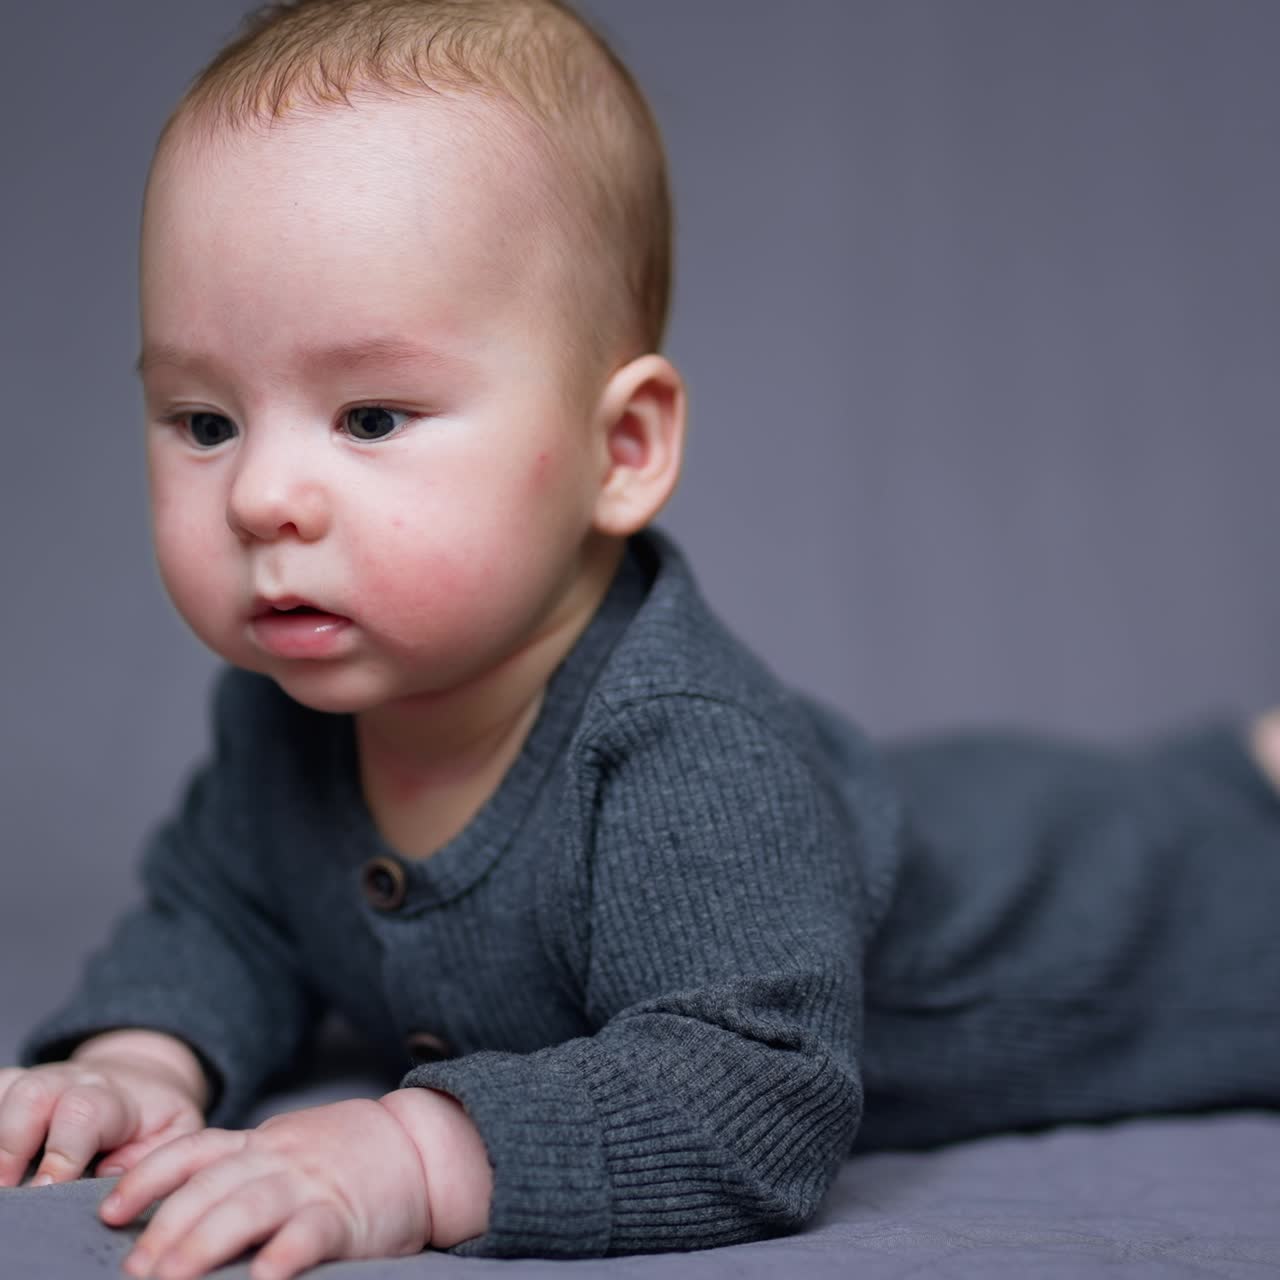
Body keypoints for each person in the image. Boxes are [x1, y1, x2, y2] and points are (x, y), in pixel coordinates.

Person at [2, 0, 1279, 1276]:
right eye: (204, 419)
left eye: (372, 416)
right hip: (910, 810)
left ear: (623, 451)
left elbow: (753, 1091)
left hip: (1122, 915)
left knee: (1190, 850)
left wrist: (413, 1154)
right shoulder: (289, 710)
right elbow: (224, 918)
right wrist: (134, 1059)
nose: (259, 495)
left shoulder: (682, 752)